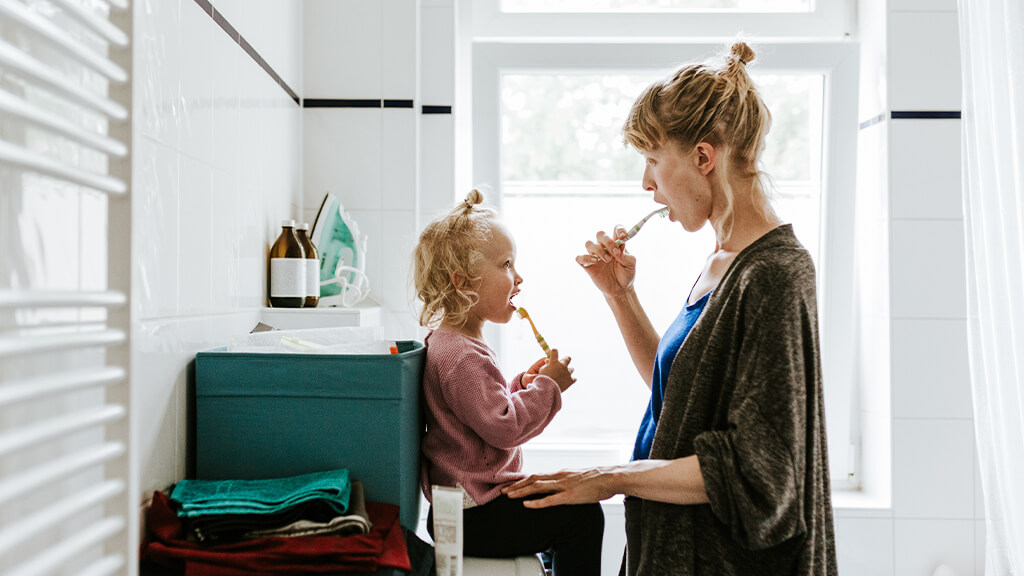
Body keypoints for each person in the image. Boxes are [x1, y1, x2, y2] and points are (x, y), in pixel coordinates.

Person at [504, 41, 838, 575]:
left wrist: (609, 477)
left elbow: (763, 471)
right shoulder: (723, 261)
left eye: (653, 160)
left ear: (704, 157)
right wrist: (619, 294)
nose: (646, 183)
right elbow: (679, 392)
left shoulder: (775, 275)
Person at [412, 189, 604, 575]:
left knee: (564, 503)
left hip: (465, 510)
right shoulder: (462, 355)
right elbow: (504, 427)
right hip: (476, 514)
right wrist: (548, 388)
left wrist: (521, 385)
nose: (518, 277)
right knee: (583, 515)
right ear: (463, 282)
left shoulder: (452, 343)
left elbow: (478, 416)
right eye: (506, 264)